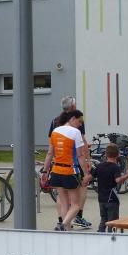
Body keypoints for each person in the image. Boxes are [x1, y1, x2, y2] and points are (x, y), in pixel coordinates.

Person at [48, 96, 91, 229]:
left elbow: (51, 146)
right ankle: (76, 217)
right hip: (73, 166)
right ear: (73, 107)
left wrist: (47, 167)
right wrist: (88, 160)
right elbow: (82, 143)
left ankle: (62, 221)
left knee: (61, 197)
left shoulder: (55, 121)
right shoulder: (77, 120)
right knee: (80, 192)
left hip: (57, 165)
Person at [85, 143, 128, 232]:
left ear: (106, 154)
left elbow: (88, 178)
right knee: (112, 221)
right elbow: (118, 180)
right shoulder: (115, 167)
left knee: (103, 218)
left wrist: (86, 174)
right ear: (118, 155)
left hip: (101, 198)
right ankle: (111, 236)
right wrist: (127, 176)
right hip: (112, 199)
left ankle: (101, 233)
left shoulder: (99, 166)